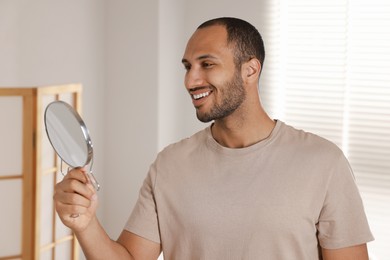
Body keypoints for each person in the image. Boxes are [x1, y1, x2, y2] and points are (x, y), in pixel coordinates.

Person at [54, 17, 374, 259]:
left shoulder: (323, 163)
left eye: (207, 64)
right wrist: (85, 224)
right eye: (187, 67)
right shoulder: (170, 164)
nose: (191, 80)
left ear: (250, 70)